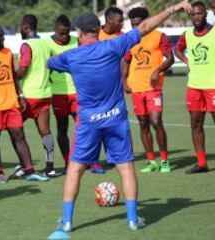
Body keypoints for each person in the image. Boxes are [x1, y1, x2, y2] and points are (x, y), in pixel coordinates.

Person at [46, 1, 192, 239]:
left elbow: (49, 63)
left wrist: (52, 61)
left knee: (74, 170)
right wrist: (173, 8)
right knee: (126, 168)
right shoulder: (114, 45)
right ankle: (133, 220)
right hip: (116, 119)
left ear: (79, 33)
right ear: (99, 29)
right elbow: (145, 27)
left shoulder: (70, 57)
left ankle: (67, 224)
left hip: (89, 123)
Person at [0, 23, 48, 183]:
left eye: (2, 35)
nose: (3, 38)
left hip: (11, 103)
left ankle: (29, 171)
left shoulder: (7, 53)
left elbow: (12, 76)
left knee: (19, 135)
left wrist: (20, 95)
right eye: (0, 35)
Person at [122, 7, 174, 173]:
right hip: (136, 88)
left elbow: (171, 58)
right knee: (143, 124)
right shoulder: (130, 39)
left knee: (156, 121)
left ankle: (164, 160)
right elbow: (126, 61)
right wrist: (124, 81)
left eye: (139, 24)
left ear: (146, 21)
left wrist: (157, 71)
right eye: (133, 25)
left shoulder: (159, 36)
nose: (136, 28)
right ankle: (151, 161)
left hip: (153, 88)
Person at [175, 1, 215, 174]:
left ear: (205, 15)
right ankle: (202, 163)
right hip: (194, 86)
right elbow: (178, 49)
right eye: (193, 14)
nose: (196, 17)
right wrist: (186, 61)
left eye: (199, 14)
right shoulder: (187, 35)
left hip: (213, 86)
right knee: (196, 125)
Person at [16, 14, 55, 177]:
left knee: (15, 130)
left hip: (29, 96)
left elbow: (23, 69)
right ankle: (50, 167)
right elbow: (51, 65)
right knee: (45, 131)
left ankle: (24, 166)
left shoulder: (26, 45)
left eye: (20, 26)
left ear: (26, 27)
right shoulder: (46, 44)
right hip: (45, 94)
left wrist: (11, 75)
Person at [89, 6, 125, 175]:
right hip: (96, 87)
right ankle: (94, 160)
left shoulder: (122, 37)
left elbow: (127, 60)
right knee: (97, 123)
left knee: (114, 122)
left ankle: (113, 156)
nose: (122, 23)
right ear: (109, 20)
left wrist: (124, 80)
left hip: (114, 88)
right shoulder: (96, 35)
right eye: (119, 21)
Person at [45, 15, 78, 174]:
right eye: (61, 34)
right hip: (57, 94)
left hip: (77, 93)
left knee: (85, 127)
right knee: (62, 129)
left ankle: (89, 161)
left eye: (67, 33)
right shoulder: (47, 44)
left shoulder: (76, 41)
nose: (64, 37)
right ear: (55, 30)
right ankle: (67, 163)